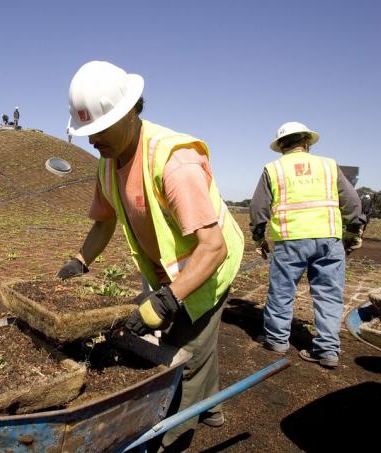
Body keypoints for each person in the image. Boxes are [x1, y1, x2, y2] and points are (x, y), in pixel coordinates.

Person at [56, 61, 244, 452]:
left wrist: (168, 299)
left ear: (128, 113)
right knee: (192, 341)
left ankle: (172, 438)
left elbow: (213, 247)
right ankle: (211, 410)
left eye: (98, 130)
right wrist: (80, 260)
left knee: (186, 351)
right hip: (170, 266)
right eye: (86, 131)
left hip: (209, 264)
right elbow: (104, 222)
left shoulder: (173, 161)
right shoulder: (108, 164)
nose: (92, 141)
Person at [249, 121, 363, 369]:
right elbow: (352, 203)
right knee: (329, 295)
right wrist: (353, 232)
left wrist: (259, 237)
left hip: (291, 239)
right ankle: (328, 351)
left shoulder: (273, 169)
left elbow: (258, 208)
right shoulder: (329, 165)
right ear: (307, 142)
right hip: (329, 239)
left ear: (281, 146)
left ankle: (277, 340)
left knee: (282, 291)